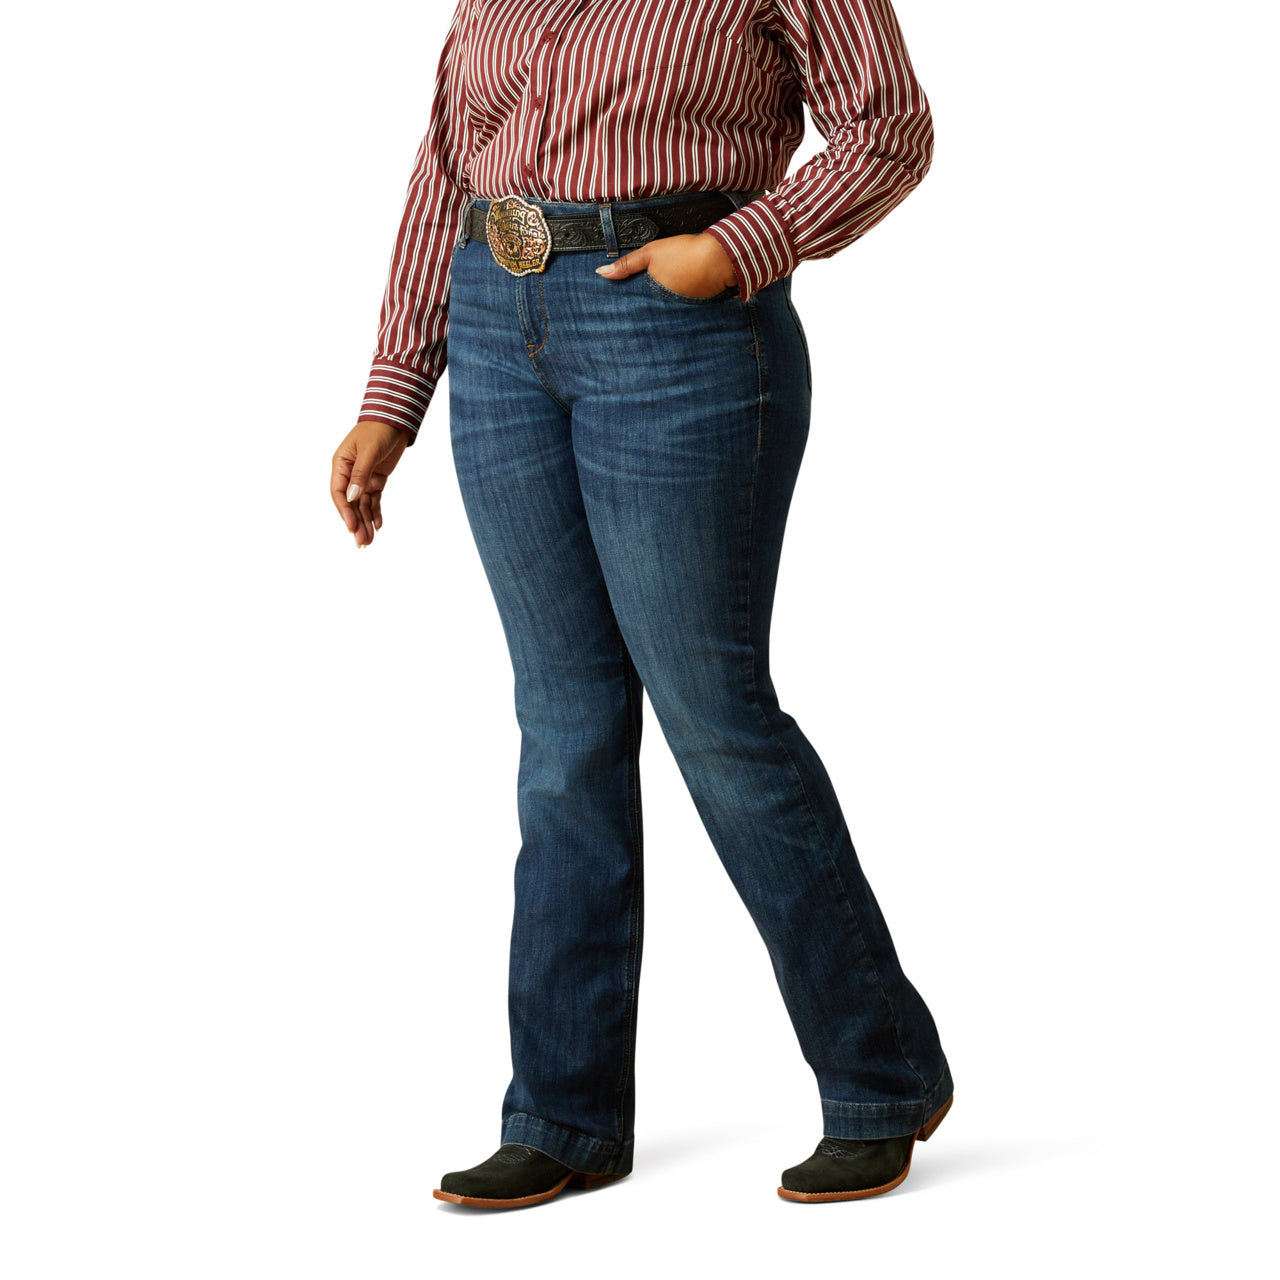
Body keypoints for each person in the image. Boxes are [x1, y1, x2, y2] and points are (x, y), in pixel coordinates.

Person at [329, 0, 953, 1208]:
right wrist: (392, 388)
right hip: (495, 324)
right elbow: (447, 163)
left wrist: (741, 245)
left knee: (714, 715)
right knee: (561, 731)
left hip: (676, 326)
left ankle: (880, 1074)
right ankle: (560, 1113)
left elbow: (887, 130)